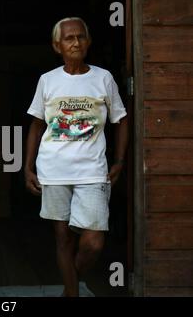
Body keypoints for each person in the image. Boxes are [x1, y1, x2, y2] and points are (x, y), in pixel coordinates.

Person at [24, 17, 128, 296]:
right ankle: (72, 292)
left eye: (81, 37)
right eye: (69, 38)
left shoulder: (103, 78)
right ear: (57, 46)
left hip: (93, 171)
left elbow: (121, 120)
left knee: (93, 242)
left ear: (89, 42)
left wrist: (119, 161)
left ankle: (70, 287)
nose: (76, 42)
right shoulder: (48, 80)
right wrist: (28, 168)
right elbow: (36, 124)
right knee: (63, 239)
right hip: (53, 170)